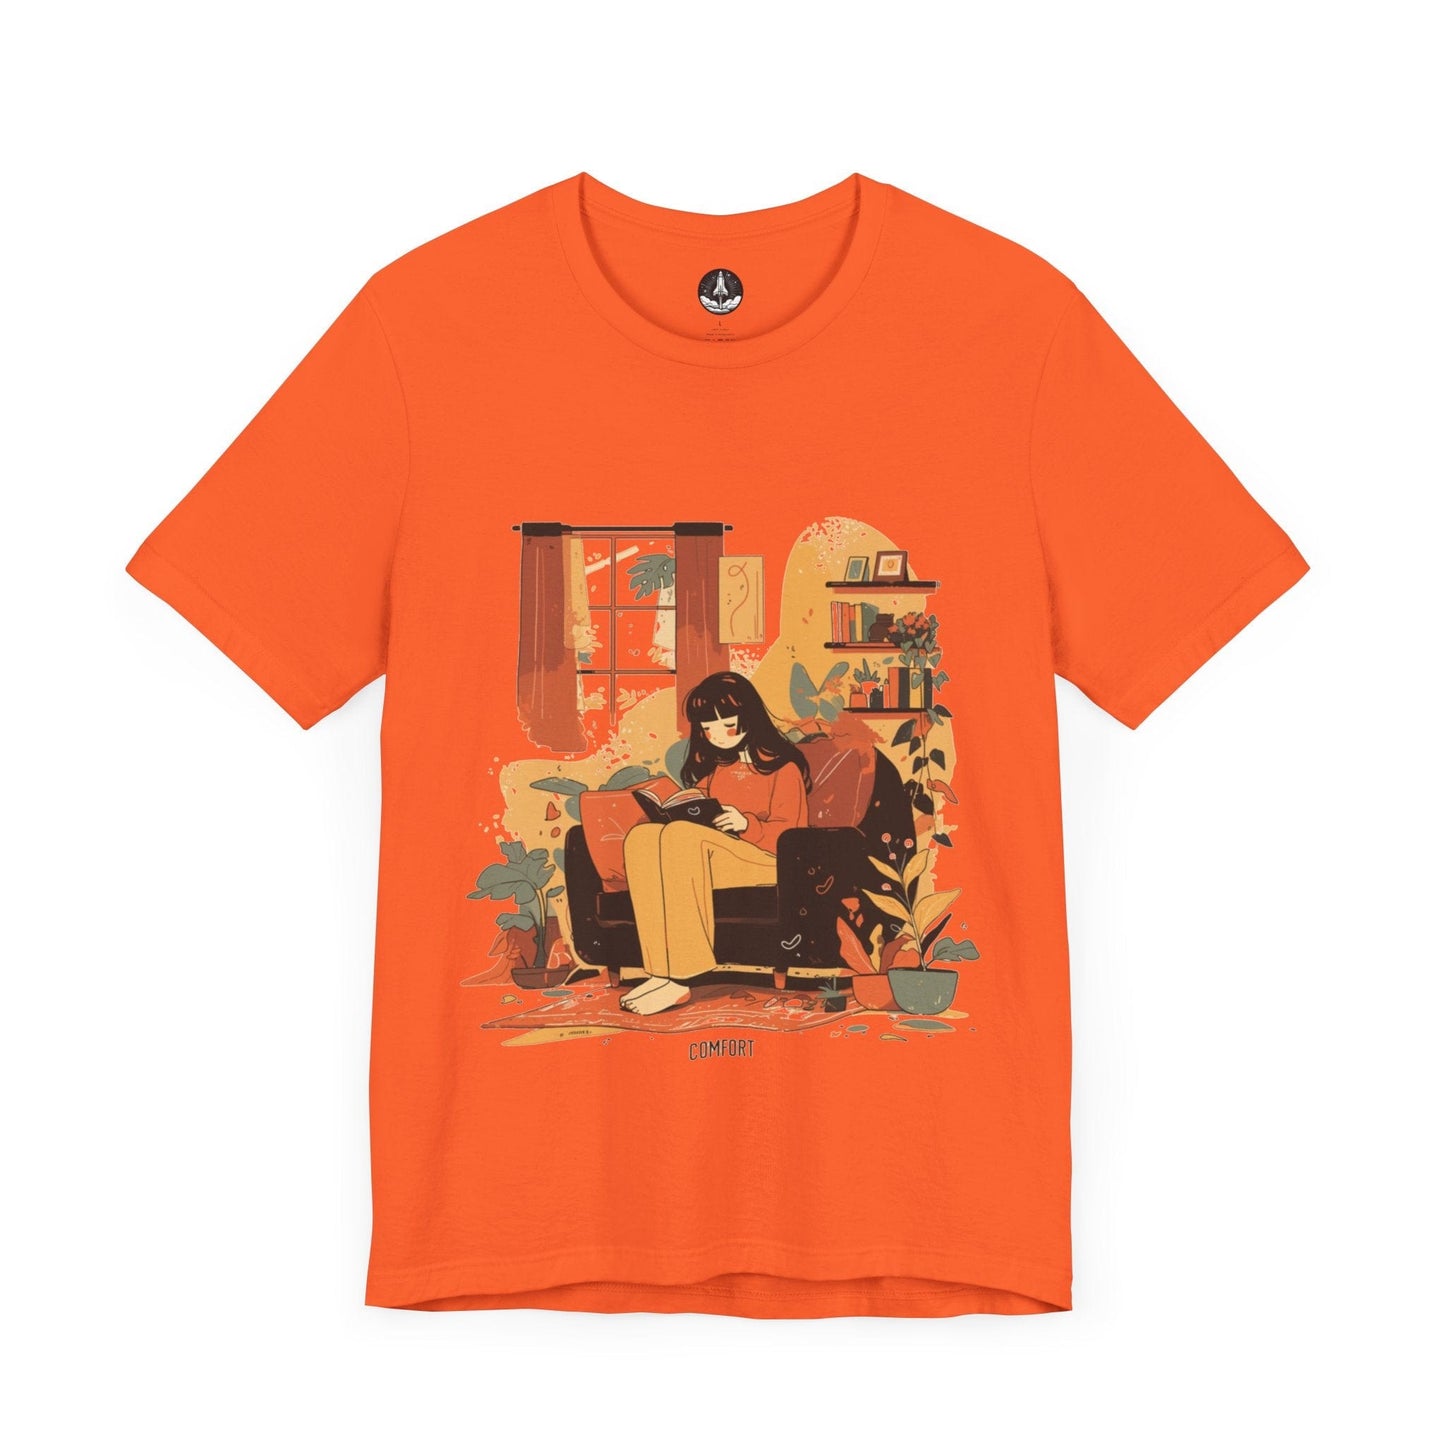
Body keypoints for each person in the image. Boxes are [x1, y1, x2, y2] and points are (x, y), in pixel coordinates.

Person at [619, 671, 811, 1015]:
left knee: (680, 836)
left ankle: (682, 978)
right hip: (715, 856)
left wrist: (747, 824)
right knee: (642, 838)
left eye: (728, 725)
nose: (718, 736)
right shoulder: (718, 770)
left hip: (768, 860)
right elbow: (696, 809)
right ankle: (659, 973)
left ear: (749, 718)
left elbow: (793, 835)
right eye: (708, 728)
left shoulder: (784, 769)